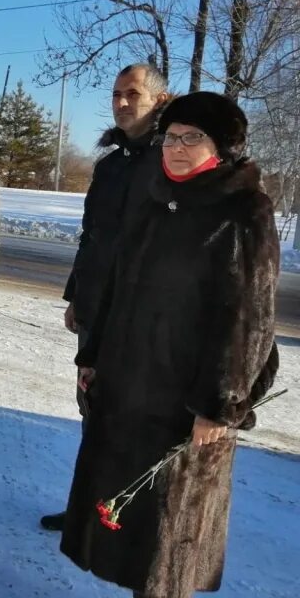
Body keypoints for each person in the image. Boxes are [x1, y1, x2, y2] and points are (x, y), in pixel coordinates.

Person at [61, 91, 280, 598]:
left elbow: (250, 319)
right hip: (128, 389)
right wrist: (92, 359)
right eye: (170, 137)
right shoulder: (156, 200)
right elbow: (117, 287)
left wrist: (219, 405)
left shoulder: (242, 210)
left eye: (192, 138)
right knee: (128, 530)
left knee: (167, 540)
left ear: (223, 148)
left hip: (187, 403)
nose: (176, 147)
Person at [40, 63, 170, 531]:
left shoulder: (169, 160)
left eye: (131, 94)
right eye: (116, 94)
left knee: (132, 418)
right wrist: (77, 296)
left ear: (159, 99)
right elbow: (92, 235)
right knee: (92, 409)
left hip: (140, 317)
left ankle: (123, 515)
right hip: (97, 310)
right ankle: (88, 507)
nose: (120, 103)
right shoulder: (111, 163)